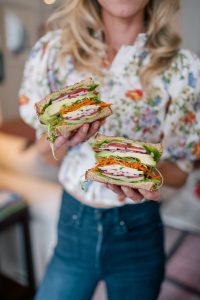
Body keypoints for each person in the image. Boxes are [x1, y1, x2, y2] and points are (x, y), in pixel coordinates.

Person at [19, 0, 200, 299]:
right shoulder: (54, 53)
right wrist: (64, 140)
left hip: (139, 232)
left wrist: (148, 176)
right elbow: (45, 156)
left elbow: (181, 171)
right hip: (72, 226)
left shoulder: (184, 69)